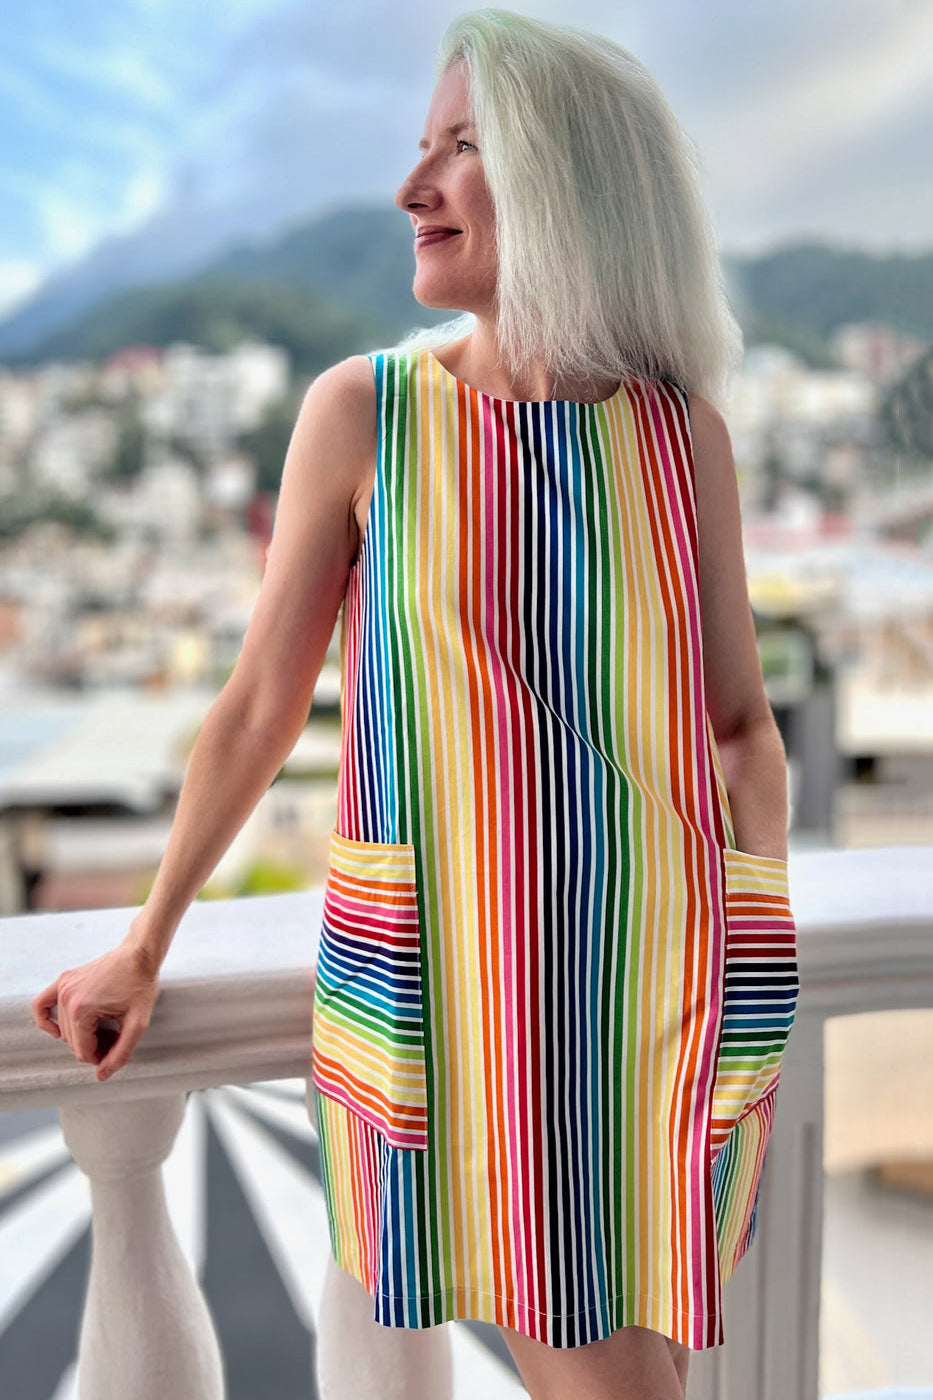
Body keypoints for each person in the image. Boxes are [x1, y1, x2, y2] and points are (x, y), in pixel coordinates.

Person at [33, 10, 801, 1399]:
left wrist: (752, 932)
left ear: (569, 183)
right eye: (422, 146)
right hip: (457, 994)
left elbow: (740, 726)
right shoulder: (366, 413)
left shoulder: (678, 436)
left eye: (461, 148)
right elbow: (258, 707)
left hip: (655, 989)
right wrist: (145, 942)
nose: (411, 186)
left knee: (629, 1372)